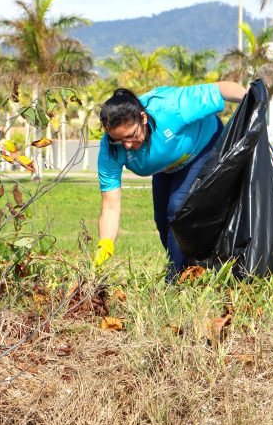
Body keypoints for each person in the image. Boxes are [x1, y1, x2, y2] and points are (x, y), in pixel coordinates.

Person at [94, 81, 246, 280]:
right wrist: (105, 243)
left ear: (143, 118)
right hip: (167, 165)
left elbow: (221, 89)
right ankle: (191, 269)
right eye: (119, 140)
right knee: (162, 220)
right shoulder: (110, 149)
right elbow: (110, 206)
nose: (128, 146)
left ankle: (174, 279)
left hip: (203, 145)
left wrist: (252, 99)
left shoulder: (171, 107)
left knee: (178, 209)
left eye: (131, 136)